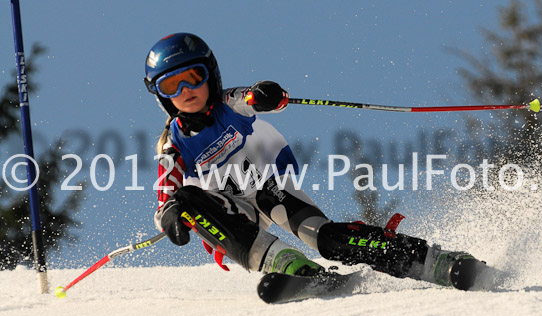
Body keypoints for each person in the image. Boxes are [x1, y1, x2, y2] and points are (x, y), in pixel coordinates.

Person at [144, 32, 480, 289]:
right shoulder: (172, 144)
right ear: (162, 96)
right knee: (185, 199)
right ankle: (288, 264)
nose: (186, 89)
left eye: (194, 77)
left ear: (211, 75)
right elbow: (164, 201)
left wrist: (265, 94)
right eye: (172, 85)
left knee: (325, 238)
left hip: (267, 188)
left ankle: (432, 261)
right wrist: (171, 213)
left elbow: (252, 97)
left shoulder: (226, 103)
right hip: (233, 214)